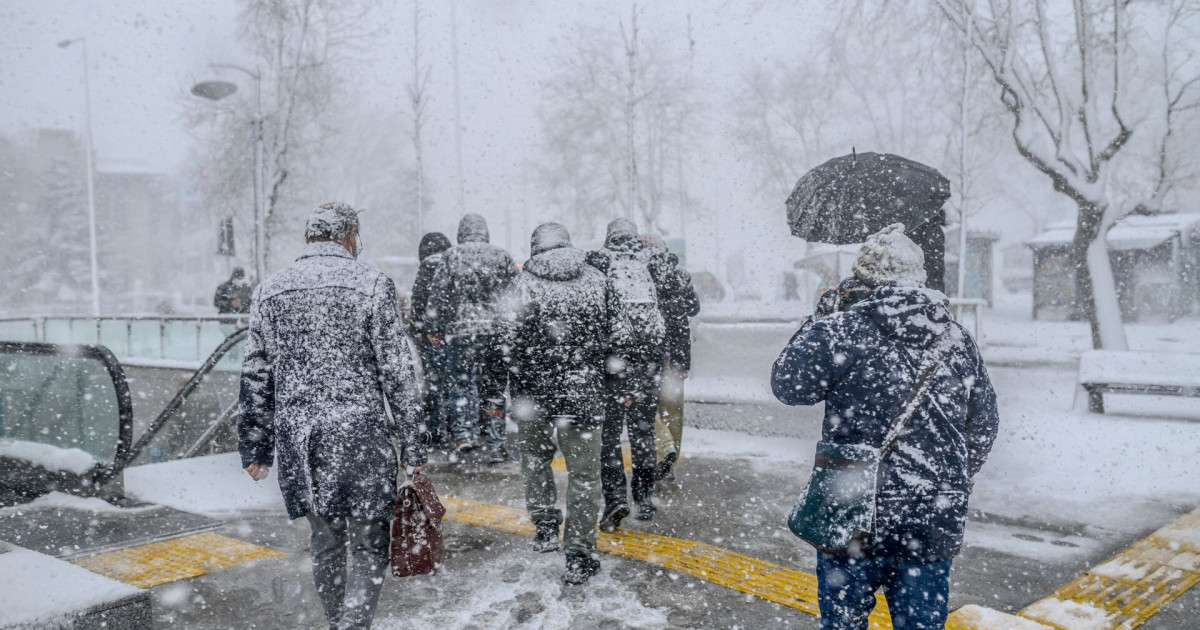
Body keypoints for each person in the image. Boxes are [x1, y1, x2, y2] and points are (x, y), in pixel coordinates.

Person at [770, 224, 999, 630]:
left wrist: (820, 316)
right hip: (931, 517)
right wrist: (945, 477)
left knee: (844, 623)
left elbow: (788, 385)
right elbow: (983, 425)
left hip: (853, 511)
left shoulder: (841, 331)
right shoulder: (956, 339)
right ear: (920, 278)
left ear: (862, 278)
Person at [238, 202, 427, 630]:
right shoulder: (373, 285)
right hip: (360, 434)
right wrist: (413, 445)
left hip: (301, 439)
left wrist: (256, 447)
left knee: (324, 540)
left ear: (310, 237)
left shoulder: (270, 291)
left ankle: (336, 621)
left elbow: (255, 375)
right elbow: (398, 372)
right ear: (350, 235)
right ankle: (353, 624)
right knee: (369, 542)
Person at [503, 222, 607, 584]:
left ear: (535, 247)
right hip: (583, 394)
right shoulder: (596, 280)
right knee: (583, 476)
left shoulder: (521, 283)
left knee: (535, 459)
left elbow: (501, 342)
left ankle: (546, 526)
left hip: (534, 396)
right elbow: (619, 336)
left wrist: (491, 391)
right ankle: (579, 552)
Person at [586, 218, 676, 528]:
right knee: (642, 434)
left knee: (609, 436)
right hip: (647, 363)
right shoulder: (650, 261)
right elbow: (675, 293)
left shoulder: (598, 261)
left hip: (612, 361)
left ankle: (614, 499)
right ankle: (644, 499)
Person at [430, 214, 518, 463]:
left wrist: (434, 327)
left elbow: (438, 295)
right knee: (493, 387)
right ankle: (496, 443)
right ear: (485, 231)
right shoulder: (500, 256)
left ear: (462, 232)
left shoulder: (451, 256)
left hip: (461, 332)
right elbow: (514, 295)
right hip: (494, 333)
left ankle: (463, 436)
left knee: (461, 384)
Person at [639, 234, 700, 483]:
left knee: (645, 410)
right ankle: (669, 467)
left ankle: (663, 451)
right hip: (674, 357)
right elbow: (693, 309)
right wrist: (682, 361)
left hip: (645, 357)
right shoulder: (678, 273)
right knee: (673, 414)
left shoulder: (638, 275)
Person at [410, 232, 453, 448]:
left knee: (434, 383)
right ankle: (459, 430)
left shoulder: (427, 267)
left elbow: (418, 303)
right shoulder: (452, 264)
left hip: (431, 335)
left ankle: (437, 430)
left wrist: (422, 331)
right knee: (456, 383)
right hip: (454, 334)